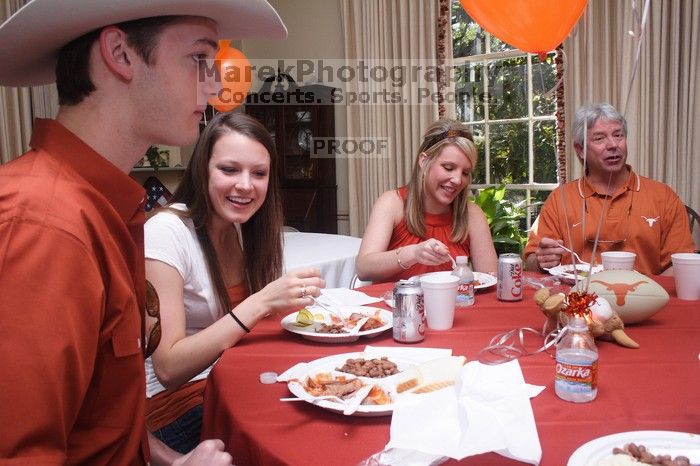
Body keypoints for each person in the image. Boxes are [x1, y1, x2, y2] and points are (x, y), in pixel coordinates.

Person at [0, 1, 287, 464]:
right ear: (120, 53)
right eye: (199, 59)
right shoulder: (44, 223)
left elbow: (103, 420)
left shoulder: (108, 210)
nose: (215, 85)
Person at [144, 112, 324, 453]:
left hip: (227, 382)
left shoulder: (241, 227)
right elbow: (168, 368)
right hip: (175, 408)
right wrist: (261, 302)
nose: (245, 185)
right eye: (229, 170)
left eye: (259, 173)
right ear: (202, 169)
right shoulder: (166, 232)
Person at [524, 103, 696, 276]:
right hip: (577, 299)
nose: (613, 144)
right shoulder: (559, 199)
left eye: (618, 135)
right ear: (580, 149)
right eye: (599, 138)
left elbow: (681, 264)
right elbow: (531, 260)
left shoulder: (663, 196)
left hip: (643, 299)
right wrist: (541, 260)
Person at [356, 119, 498, 283]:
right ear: (424, 161)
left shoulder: (472, 214)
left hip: (455, 308)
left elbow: (490, 279)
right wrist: (414, 254)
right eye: (448, 168)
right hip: (397, 307)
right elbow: (363, 268)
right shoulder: (392, 203)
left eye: (465, 172)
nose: (458, 180)